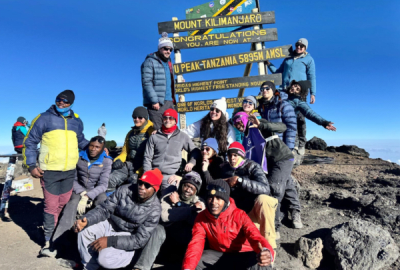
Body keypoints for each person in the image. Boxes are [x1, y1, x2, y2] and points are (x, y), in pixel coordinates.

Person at [23, 90, 90, 256]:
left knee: (63, 204)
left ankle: (57, 234)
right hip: (50, 171)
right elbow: (30, 142)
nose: (62, 103)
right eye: (59, 99)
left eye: (66, 101)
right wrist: (31, 165)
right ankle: (48, 240)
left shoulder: (76, 121)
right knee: (51, 206)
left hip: (69, 171)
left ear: (72, 103)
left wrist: (100, 148)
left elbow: (81, 141)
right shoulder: (43, 118)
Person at [74, 169, 164, 270]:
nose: (141, 187)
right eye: (140, 183)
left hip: (127, 235)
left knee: (105, 259)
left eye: (147, 185)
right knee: (84, 231)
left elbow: (139, 240)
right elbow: (104, 209)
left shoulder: (155, 210)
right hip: (110, 223)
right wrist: (87, 220)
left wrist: (110, 241)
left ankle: (128, 262)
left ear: (155, 189)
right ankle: (90, 267)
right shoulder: (125, 190)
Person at [182, 179, 274, 270]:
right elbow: (196, 243)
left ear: (225, 201)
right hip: (219, 255)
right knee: (197, 262)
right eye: (210, 197)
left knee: (262, 262)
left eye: (218, 198)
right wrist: (187, 268)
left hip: (243, 255)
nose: (213, 202)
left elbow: (254, 235)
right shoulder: (202, 217)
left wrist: (266, 251)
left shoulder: (240, 215)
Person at [51, 136, 112, 251]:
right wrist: (82, 192)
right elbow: (72, 179)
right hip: (79, 189)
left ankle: (100, 240)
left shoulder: (107, 161)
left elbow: (103, 184)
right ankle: (59, 242)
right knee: (72, 203)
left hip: (97, 191)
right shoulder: (79, 157)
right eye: (91, 146)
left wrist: (89, 196)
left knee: (102, 203)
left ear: (103, 149)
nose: (93, 149)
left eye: (97, 147)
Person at [246, 113, 303, 231]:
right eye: (236, 122)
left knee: (274, 189)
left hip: (282, 157)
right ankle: (295, 211)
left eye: (241, 121)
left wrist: (261, 124)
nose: (239, 124)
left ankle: (274, 226)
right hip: (269, 163)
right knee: (287, 185)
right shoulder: (246, 133)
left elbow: (282, 127)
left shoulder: (259, 122)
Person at [217, 142, 278, 248]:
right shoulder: (223, 168)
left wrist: (240, 181)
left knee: (264, 199)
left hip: (254, 210)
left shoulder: (253, 166)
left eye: (235, 155)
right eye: (230, 155)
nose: (232, 158)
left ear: (241, 156)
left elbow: (265, 188)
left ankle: (270, 247)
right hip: (237, 214)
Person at [138, 172, 205, 266]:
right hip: (165, 240)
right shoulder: (170, 195)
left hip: (182, 246)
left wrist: (178, 204)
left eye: (192, 188)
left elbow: (196, 220)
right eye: (186, 186)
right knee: (157, 229)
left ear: (196, 191)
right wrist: (190, 210)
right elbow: (163, 216)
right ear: (181, 185)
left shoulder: (200, 202)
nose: (188, 190)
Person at [265, 38, 316, 159]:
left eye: (302, 46)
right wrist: (269, 64)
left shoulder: (308, 59)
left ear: (305, 48)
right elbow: (279, 73)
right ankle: (284, 145)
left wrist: (313, 93)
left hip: (300, 92)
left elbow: (312, 76)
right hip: (285, 91)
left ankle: (301, 144)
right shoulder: (288, 58)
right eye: (297, 45)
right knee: (283, 117)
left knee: (299, 117)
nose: (299, 47)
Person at [143, 108, 200, 195]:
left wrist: (191, 163)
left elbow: (195, 151)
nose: (168, 120)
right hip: (154, 173)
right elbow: (147, 157)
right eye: (165, 118)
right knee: (147, 200)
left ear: (175, 121)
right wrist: (147, 175)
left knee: (167, 202)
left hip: (171, 176)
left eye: (171, 118)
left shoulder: (182, 136)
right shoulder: (154, 136)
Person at [284, 80, 336, 165]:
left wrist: (324, 122)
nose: (294, 88)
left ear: (299, 93)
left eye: (297, 89)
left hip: (288, 128)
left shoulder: (298, 101)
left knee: (290, 152)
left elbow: (310, 113)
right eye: (295, 86)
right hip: (275, 124)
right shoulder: (282, 93)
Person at [108, 107, 154, 191]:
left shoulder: (151, 132)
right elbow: (124, 152)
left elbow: (153, 156)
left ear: (145, 118)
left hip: (143, 166)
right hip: (130, 164)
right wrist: (118, 160)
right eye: (134, 117)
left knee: (133, 185)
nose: (137, 119)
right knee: (110, 180)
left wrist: (139, 172)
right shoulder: (130, 133)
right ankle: (109, 201)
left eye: (140, 117)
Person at [141, 32, 176, 130]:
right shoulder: (150, 61)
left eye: (170, 49)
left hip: (170, 102)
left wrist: (177, 82)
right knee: (158, 131)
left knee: (170, 130)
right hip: (157, 104)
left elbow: (166, 82)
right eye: (165, 48)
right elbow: (146, 82)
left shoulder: (169, 63)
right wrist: (154, 101)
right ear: (159, 48)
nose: (168, 51)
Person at [257, 81, 297, 151]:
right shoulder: (260, 107)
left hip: (281, 146)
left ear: (273, 90)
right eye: (262, 89)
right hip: (266, 146)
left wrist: (289, 148)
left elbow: (291, 127)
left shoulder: (283, 105)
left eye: (267, 88)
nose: (264, 90)